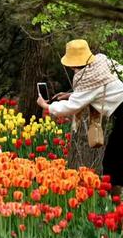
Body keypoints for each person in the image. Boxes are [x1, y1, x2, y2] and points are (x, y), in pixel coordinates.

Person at [37, 39, 123, 195]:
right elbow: (99, 89)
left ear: (72, 64)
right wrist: (71, 95)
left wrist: (47, 106)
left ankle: (115, 208)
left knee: (112, 163)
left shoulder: (87, 80)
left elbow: (71, 108)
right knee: (114, 160)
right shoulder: (103, 61)